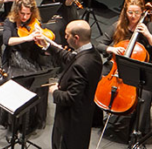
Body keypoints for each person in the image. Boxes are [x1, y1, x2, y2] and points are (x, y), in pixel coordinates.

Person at [96, 0, 152, 141]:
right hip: (117, 66)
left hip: (140, 69)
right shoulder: (119, 25)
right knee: (96, 75)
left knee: (145, 93)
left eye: (137, 13)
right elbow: (99, 43)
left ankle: (138, 131)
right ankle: (96, 119)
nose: (133, 16)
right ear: (125, 12)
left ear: (142, 12)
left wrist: (148, 35)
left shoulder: (149, 26)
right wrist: (111, 49)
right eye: (130, 12)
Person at [34, 20, 102, 149]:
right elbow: (69, 57)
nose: (65, 37)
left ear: (76, 38)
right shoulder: (93, 54)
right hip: (84, 115)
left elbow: (71, 97)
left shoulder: (80, 65)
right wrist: (48, 45)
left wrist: (55, 91)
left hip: (70, 122)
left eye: (67, 35)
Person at [0, 0, 53, 134]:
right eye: (22, 13)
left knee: (39, 81)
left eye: (28, 14)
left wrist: (43, 44)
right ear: (17, 11)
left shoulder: (35, 23)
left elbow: (40, 47)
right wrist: (27, 38)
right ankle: (16, 122)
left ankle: (31, 121)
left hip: (31, 58)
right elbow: (7, 41)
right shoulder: (10, 22)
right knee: (22, 81)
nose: (24, 17)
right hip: (14, 58)